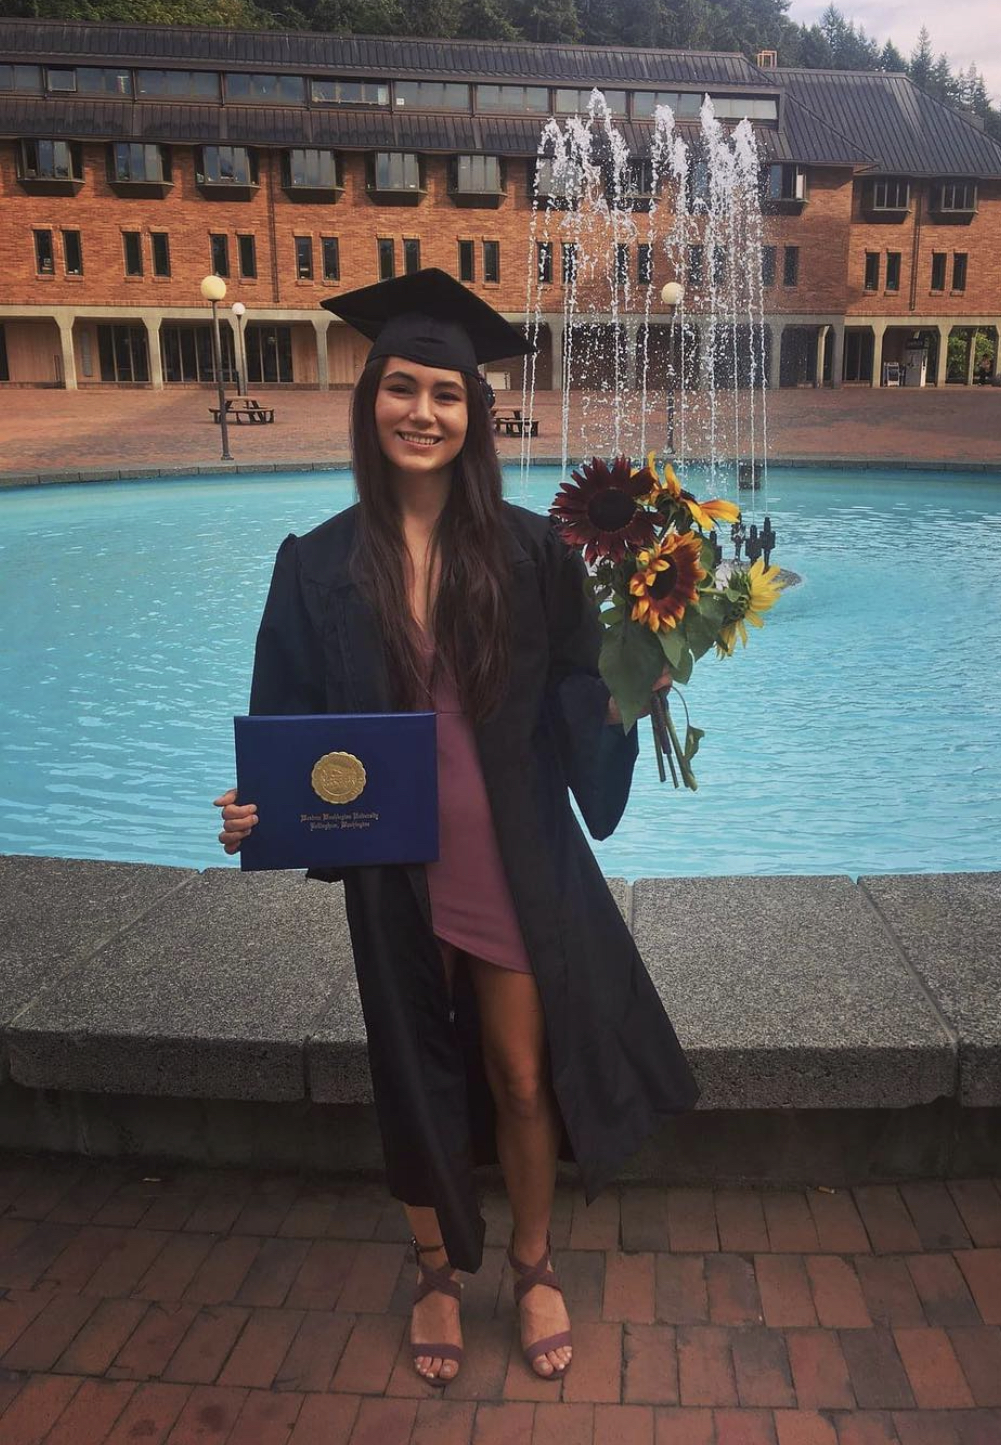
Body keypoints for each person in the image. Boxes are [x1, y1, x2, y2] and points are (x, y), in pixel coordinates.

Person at [213, 269, 700, 1388]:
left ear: (475, 413)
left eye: (445, 393)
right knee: (411, 1072)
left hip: (508, 857)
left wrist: (627, 696)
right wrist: (256, 809)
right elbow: (287, 726)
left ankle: (532, 1261)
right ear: (369, 400)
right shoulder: (316, 563)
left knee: (523, 1073)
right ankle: (435, 1270)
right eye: (401, 387)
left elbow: (576, 687)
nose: (422, 412)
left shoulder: (534, 553)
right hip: (395, 866)